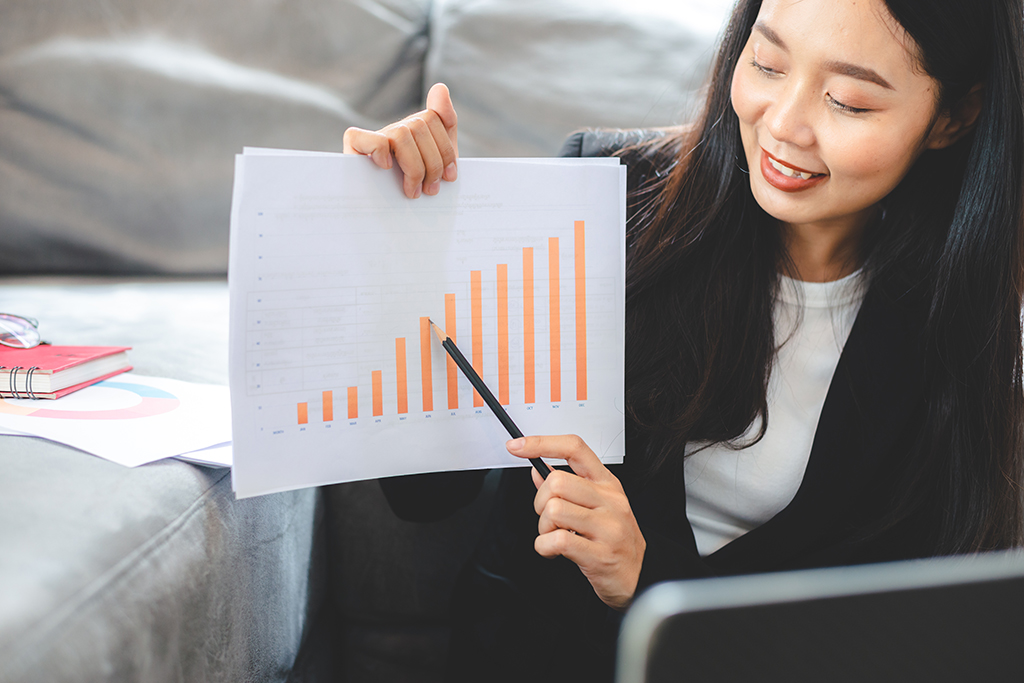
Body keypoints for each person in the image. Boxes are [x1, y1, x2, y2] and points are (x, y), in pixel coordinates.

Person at [343, 0, 1024, 680]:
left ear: (954, 117)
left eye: (848, 102)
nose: (783, 124)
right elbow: (424, 493)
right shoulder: (609, 199)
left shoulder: (964, 321)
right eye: (766, 63)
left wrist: (648, 576)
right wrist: (411, 250)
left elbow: (907, 633)